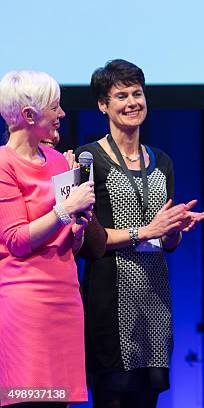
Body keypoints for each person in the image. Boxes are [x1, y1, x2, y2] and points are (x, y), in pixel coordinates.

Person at [75, 59, 204, 408]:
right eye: (121, 95)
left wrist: (175, 231)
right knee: (113, 393)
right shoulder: (89, 157)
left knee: (148, 396)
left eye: (137, 93)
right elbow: (89, 239)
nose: (132, 102)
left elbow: (165, 238)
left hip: (154, 293)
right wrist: (148, 230)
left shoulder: (161, 159)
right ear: (103, 105)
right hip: (109, 292)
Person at [0, 70, 95, 407]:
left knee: (57, 402)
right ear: (29, 115)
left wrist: (78, 227)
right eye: (55, 107)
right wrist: (67, 209)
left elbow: (70, 241)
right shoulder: (3, 164)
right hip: (27, 305)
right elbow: (16, 239)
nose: (62, 114)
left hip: (65, 299)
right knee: (30, 401)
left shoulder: (57, 161)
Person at [41, 129, 107, 260]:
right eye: (47, 126)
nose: (55, 136)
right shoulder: (8, 171)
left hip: (63, 273)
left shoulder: (62, 172)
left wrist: (73, 185)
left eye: (56, 129)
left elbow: (97, 248)